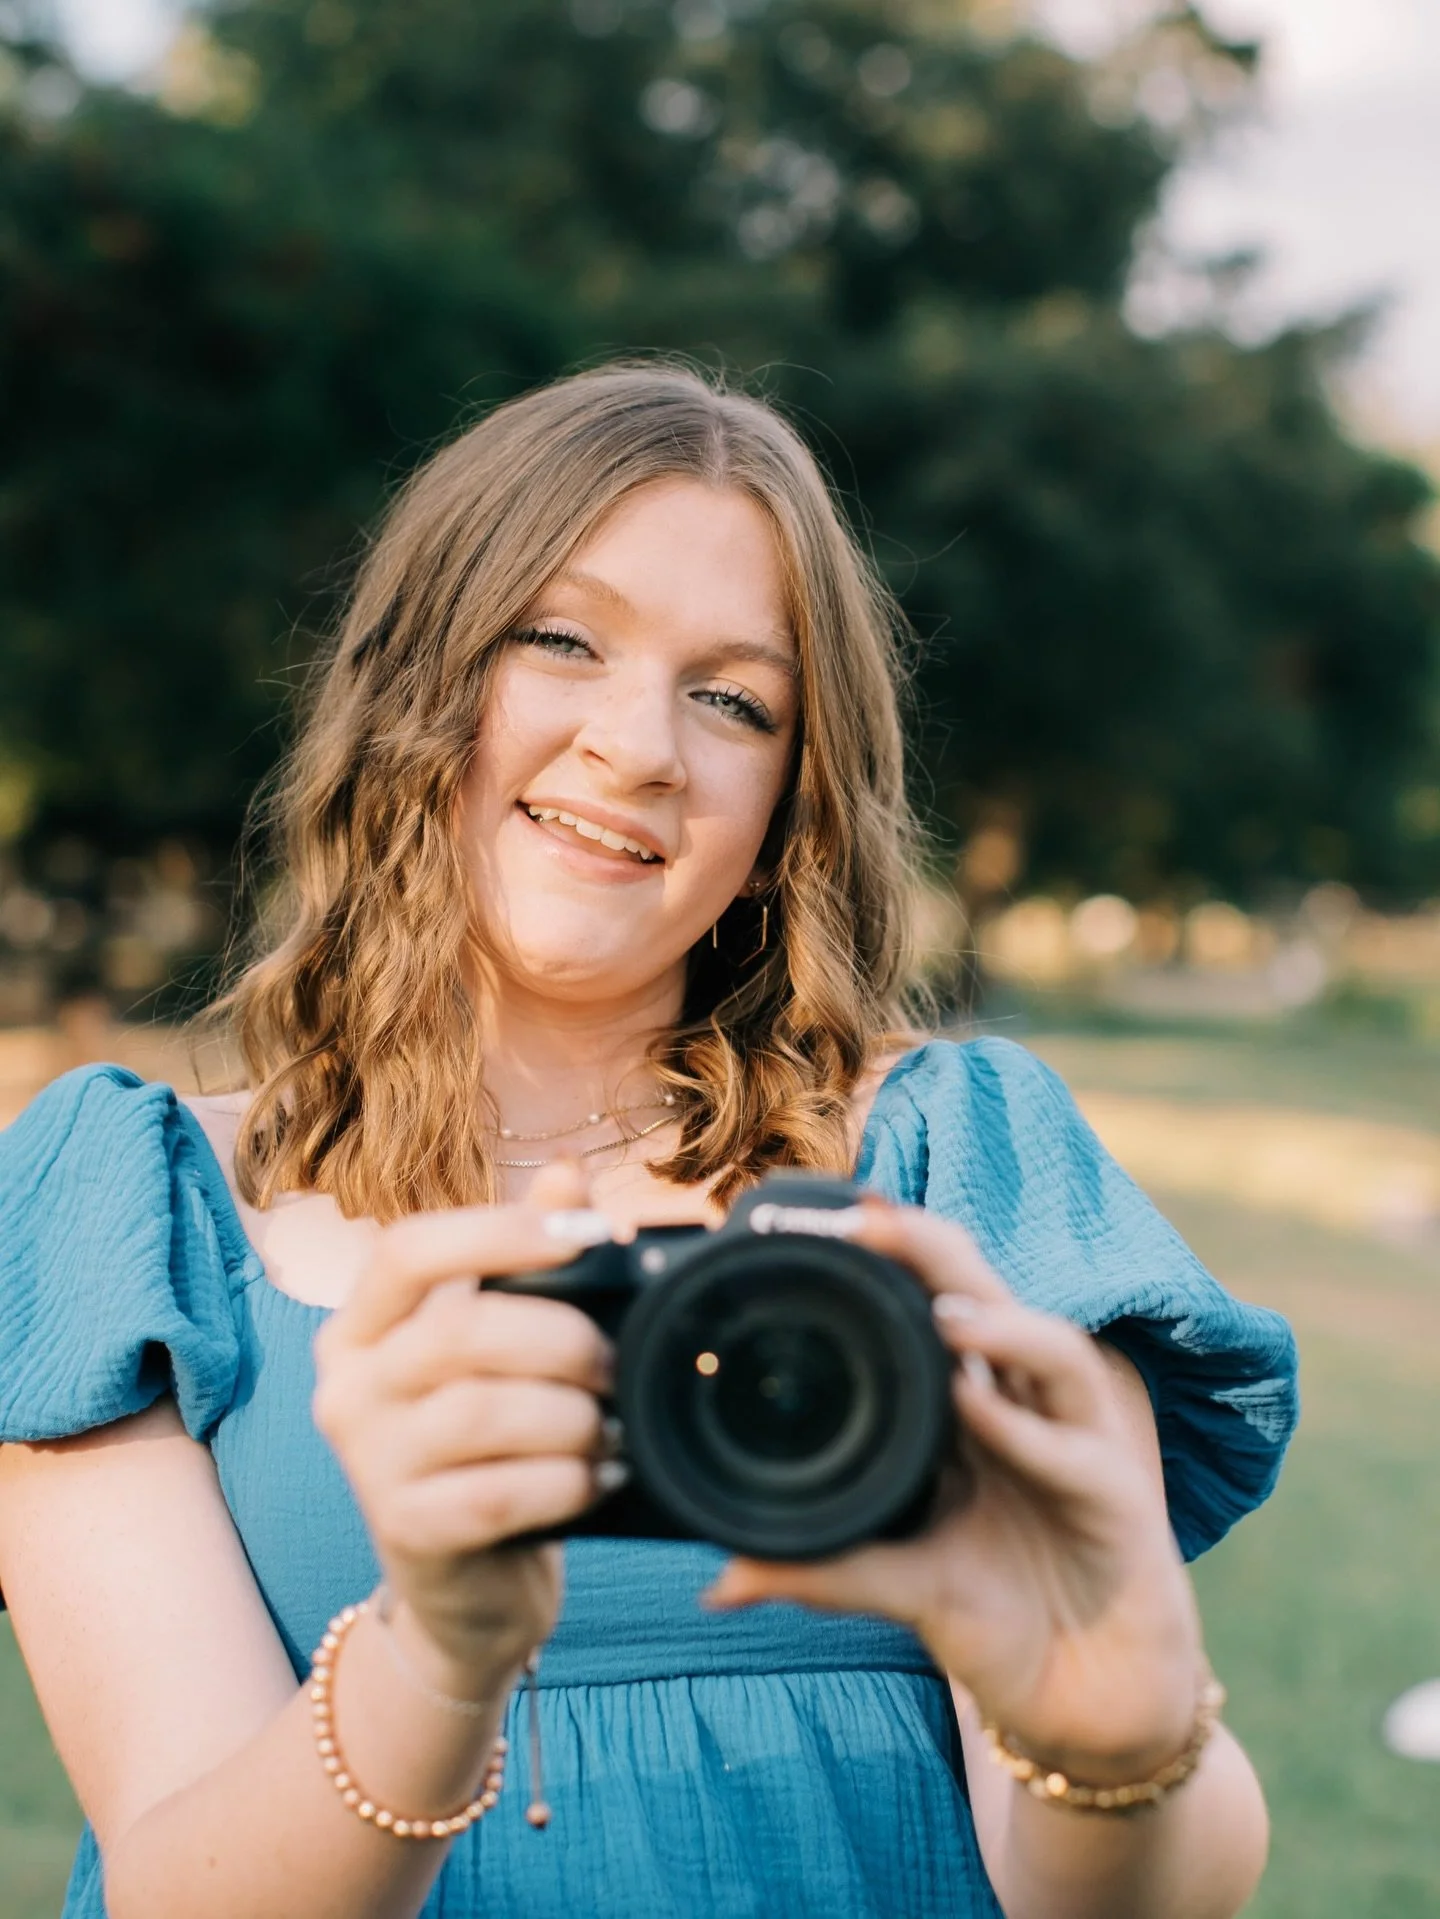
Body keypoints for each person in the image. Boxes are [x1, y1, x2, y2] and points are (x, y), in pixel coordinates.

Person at [0, 363, 1298, 1919]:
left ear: (789, 807)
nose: (639, 747)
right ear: (415, 673)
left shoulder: (952, 1165)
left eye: (734, 699)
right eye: (562, 638)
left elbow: (1129, 1881)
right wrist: (435, 1656)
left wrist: (1115, 1729)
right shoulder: (129, 1208)